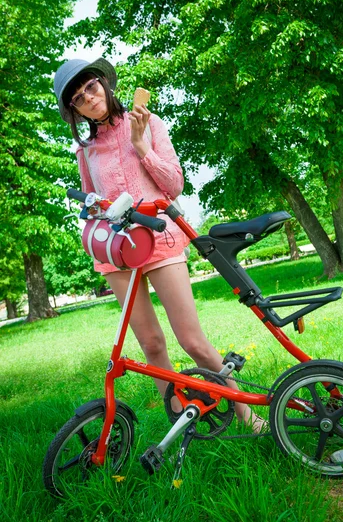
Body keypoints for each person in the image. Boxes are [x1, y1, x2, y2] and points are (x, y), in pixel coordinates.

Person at [53, 57, 265, 431]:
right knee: (151, 345)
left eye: (90, 87)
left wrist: (140, 145)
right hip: (117, 254)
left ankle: (249, 416)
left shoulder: (149, 124)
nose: (88, 98)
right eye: (78, 98)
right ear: (74, 109)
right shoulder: (85, 151)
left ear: (103, 83)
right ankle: (179, 424)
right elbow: (90, 199)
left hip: (160, 241)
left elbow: (175, 185)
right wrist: (93, 214)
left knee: (192, 341)